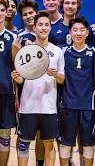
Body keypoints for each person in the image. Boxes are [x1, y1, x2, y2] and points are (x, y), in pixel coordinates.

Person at [11, 10, 65, 166]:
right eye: (40, 25)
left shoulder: (57, 51)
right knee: (23, 145)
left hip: (48, 107)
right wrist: (17, 77)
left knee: (49, 144)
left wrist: (55, 75)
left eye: (46, 25)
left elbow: (62, 80)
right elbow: (21, 79)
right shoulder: (25, 51)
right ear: (34, 28)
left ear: (50, 28)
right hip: (27, 106)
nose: (43, 28)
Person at [58, 16, 95, 166]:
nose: (79, 33)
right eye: (75, 30)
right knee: (65, 144)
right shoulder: (63, 52)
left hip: (88, 107)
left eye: (82, 30)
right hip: (68, 106)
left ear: (87, 32)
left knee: (88, 145)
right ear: (70, 32)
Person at [0, 0, 17, 166]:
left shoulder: (14, 38)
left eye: (2, 10)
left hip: (6, 93)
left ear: (6, 12)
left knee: (4, 137)